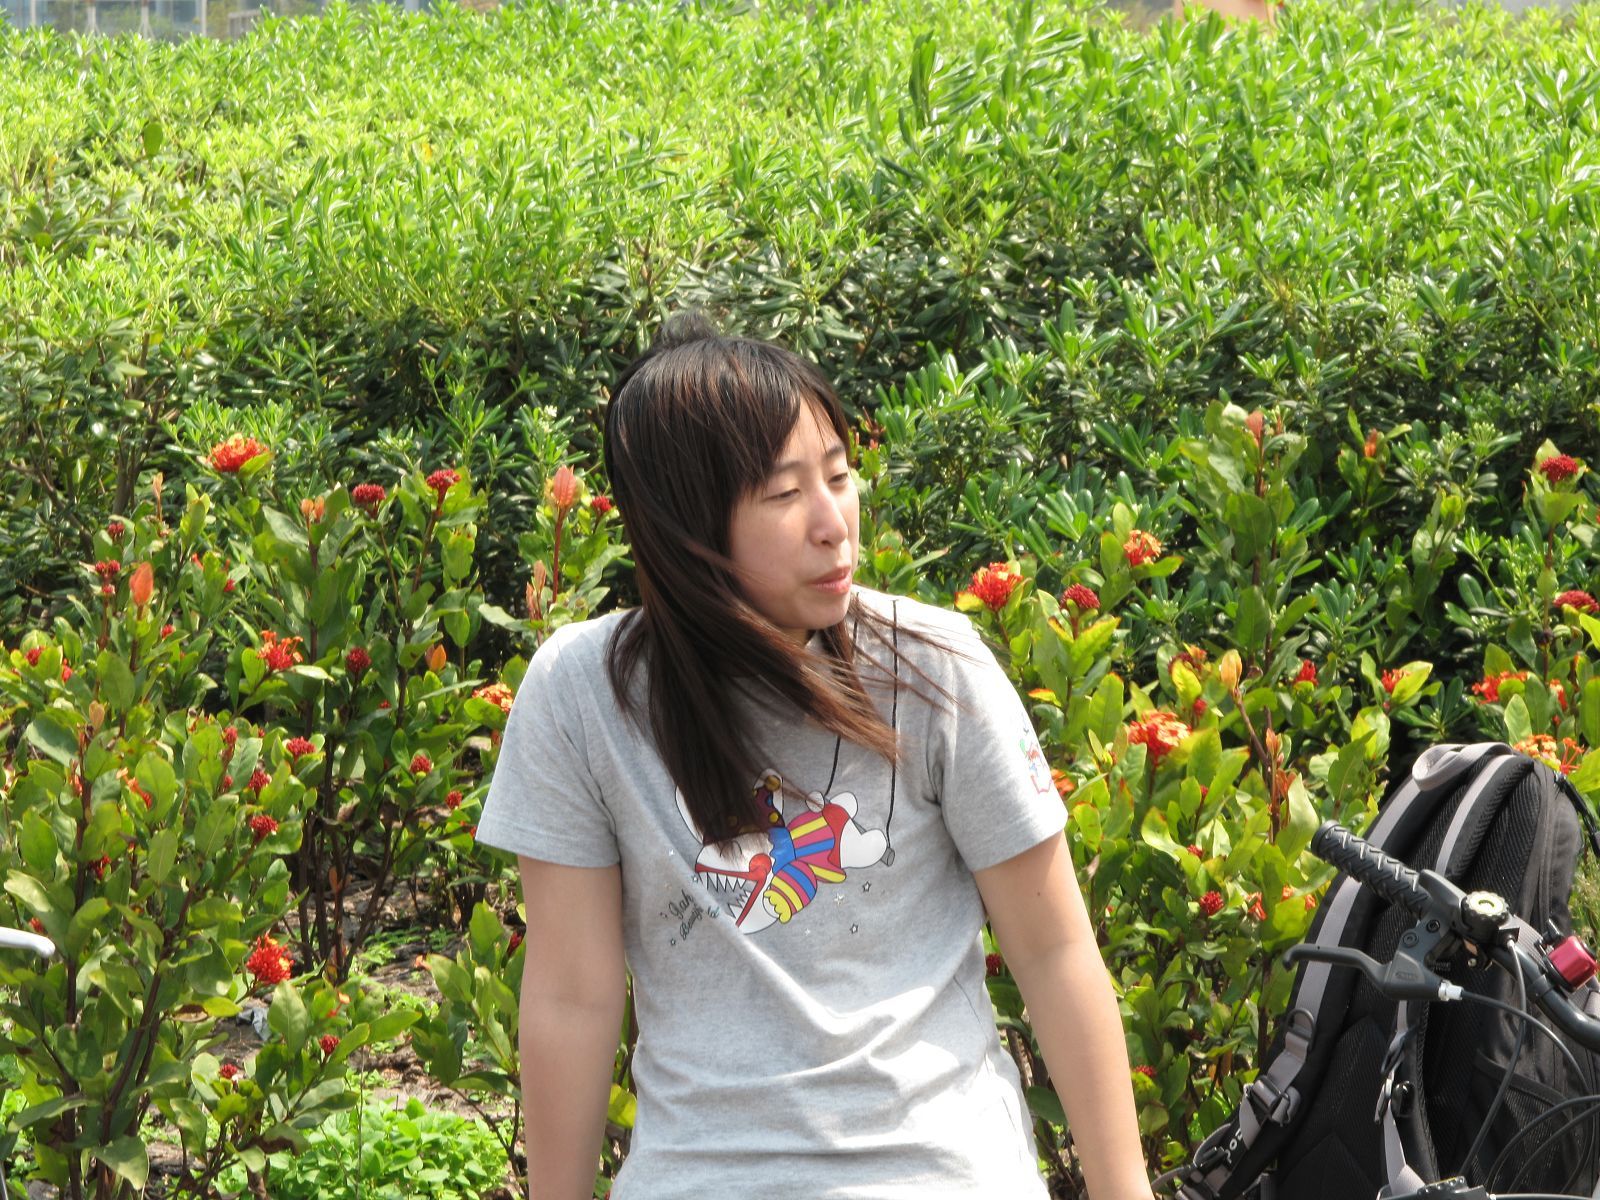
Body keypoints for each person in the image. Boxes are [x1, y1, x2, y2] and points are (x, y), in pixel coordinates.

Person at [475, 312, 1155, 1200]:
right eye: (784, 493)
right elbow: (572, 996)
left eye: (838, 476)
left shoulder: (932, 669)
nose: (834, 524)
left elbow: (1055, 954)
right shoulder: (585, 694)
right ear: (686, 529)